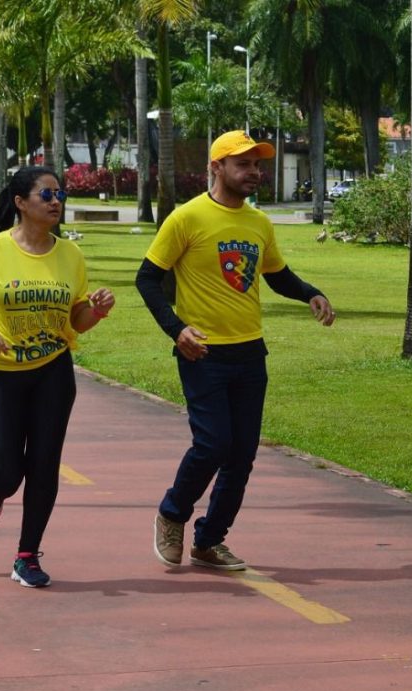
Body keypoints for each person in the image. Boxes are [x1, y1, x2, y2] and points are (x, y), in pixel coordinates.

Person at [136, 129, 335, 572]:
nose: (254, 172)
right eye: (243, 164)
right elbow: (147, 278)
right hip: (202, 353)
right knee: (212, 444)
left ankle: (208, 542)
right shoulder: (187, 218)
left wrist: (310, 294)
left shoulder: (258, 223)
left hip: (250, 354)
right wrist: (176, 330)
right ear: (216, 167)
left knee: (242, 454)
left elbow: (275, 274)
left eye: (257, 164)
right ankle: (172, 513)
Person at [0, 166, 115, 588]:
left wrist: (96, 310)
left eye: (59, 194)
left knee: (44, 466)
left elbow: (76, 322)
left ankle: (27, 556)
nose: (56, 201)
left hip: (53, 373)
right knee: (5, 472)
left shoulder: (70, 255)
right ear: (22, 203)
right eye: (46, 195)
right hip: (0, 375)